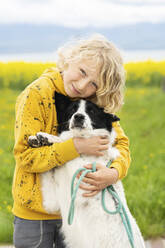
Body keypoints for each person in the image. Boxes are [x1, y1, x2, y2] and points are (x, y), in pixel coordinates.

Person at [12, 34, 131, 248]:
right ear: (69, 59)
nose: (83, 84)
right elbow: (26, 157)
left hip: (80, 214)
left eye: (93, 83)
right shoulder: (36, 94)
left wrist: (114, 173)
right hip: (36, 216)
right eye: (82, 72)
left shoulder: (93, 100)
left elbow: (121, 144)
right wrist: (76, 147)